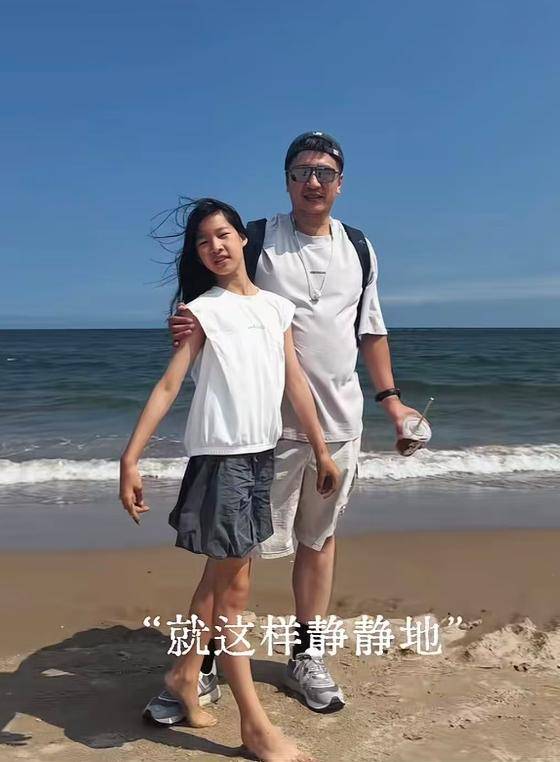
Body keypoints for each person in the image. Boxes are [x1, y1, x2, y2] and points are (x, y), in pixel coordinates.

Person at [157, 131, 422, 717]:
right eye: (302, 171)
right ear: (287, 181)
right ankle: (197, 668)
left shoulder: (360, 248)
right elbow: (213, 287)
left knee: (318, 543)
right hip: (264, 429)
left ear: (340, 183)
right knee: (234, 554)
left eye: (325, 172)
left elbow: (370, 331)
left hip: (338, 426)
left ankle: (307, 655)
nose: (313, 182)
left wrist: (393, 404)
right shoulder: (260, 238)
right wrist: (185, 320)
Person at [120, 198, 339, 761]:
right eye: (202, 241)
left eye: (222, 235)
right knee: (233, 595)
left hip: (262, 458)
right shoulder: (203, 312)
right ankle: (254, 726)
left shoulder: (276, 308)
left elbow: (295, 383)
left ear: (243, 239)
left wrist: (321, 449)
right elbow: (169, 386)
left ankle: (184, 676)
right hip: (222, 462)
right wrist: (130, 459)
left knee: (220, 585)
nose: (214, 247)